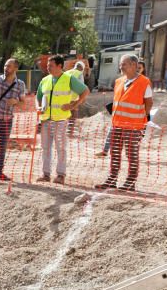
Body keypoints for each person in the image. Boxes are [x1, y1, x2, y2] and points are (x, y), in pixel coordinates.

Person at [95, 54, 153, 192]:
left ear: (134, 65)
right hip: (117, 124)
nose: (121, 66)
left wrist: (141, 119)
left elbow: (149, 103)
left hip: (134, 126)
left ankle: (130, 181)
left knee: (132, 154)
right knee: (115, 153)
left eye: (124, 64)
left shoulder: (144, 82)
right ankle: (112, 179)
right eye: (120, 64)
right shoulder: (119, 81)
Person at [36, 54, 90, 184]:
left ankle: (60, 175)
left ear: (60, 66)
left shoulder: (69, 79)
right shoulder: (45, 80)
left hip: (60, 120)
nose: (48, 68)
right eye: (48, 65)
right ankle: (46, 174)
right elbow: (38, 96)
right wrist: (38, 107)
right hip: (46, 120)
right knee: (45, 148)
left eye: (51, 65)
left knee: (60, 148)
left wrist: (73, 105)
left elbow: (85, 91)